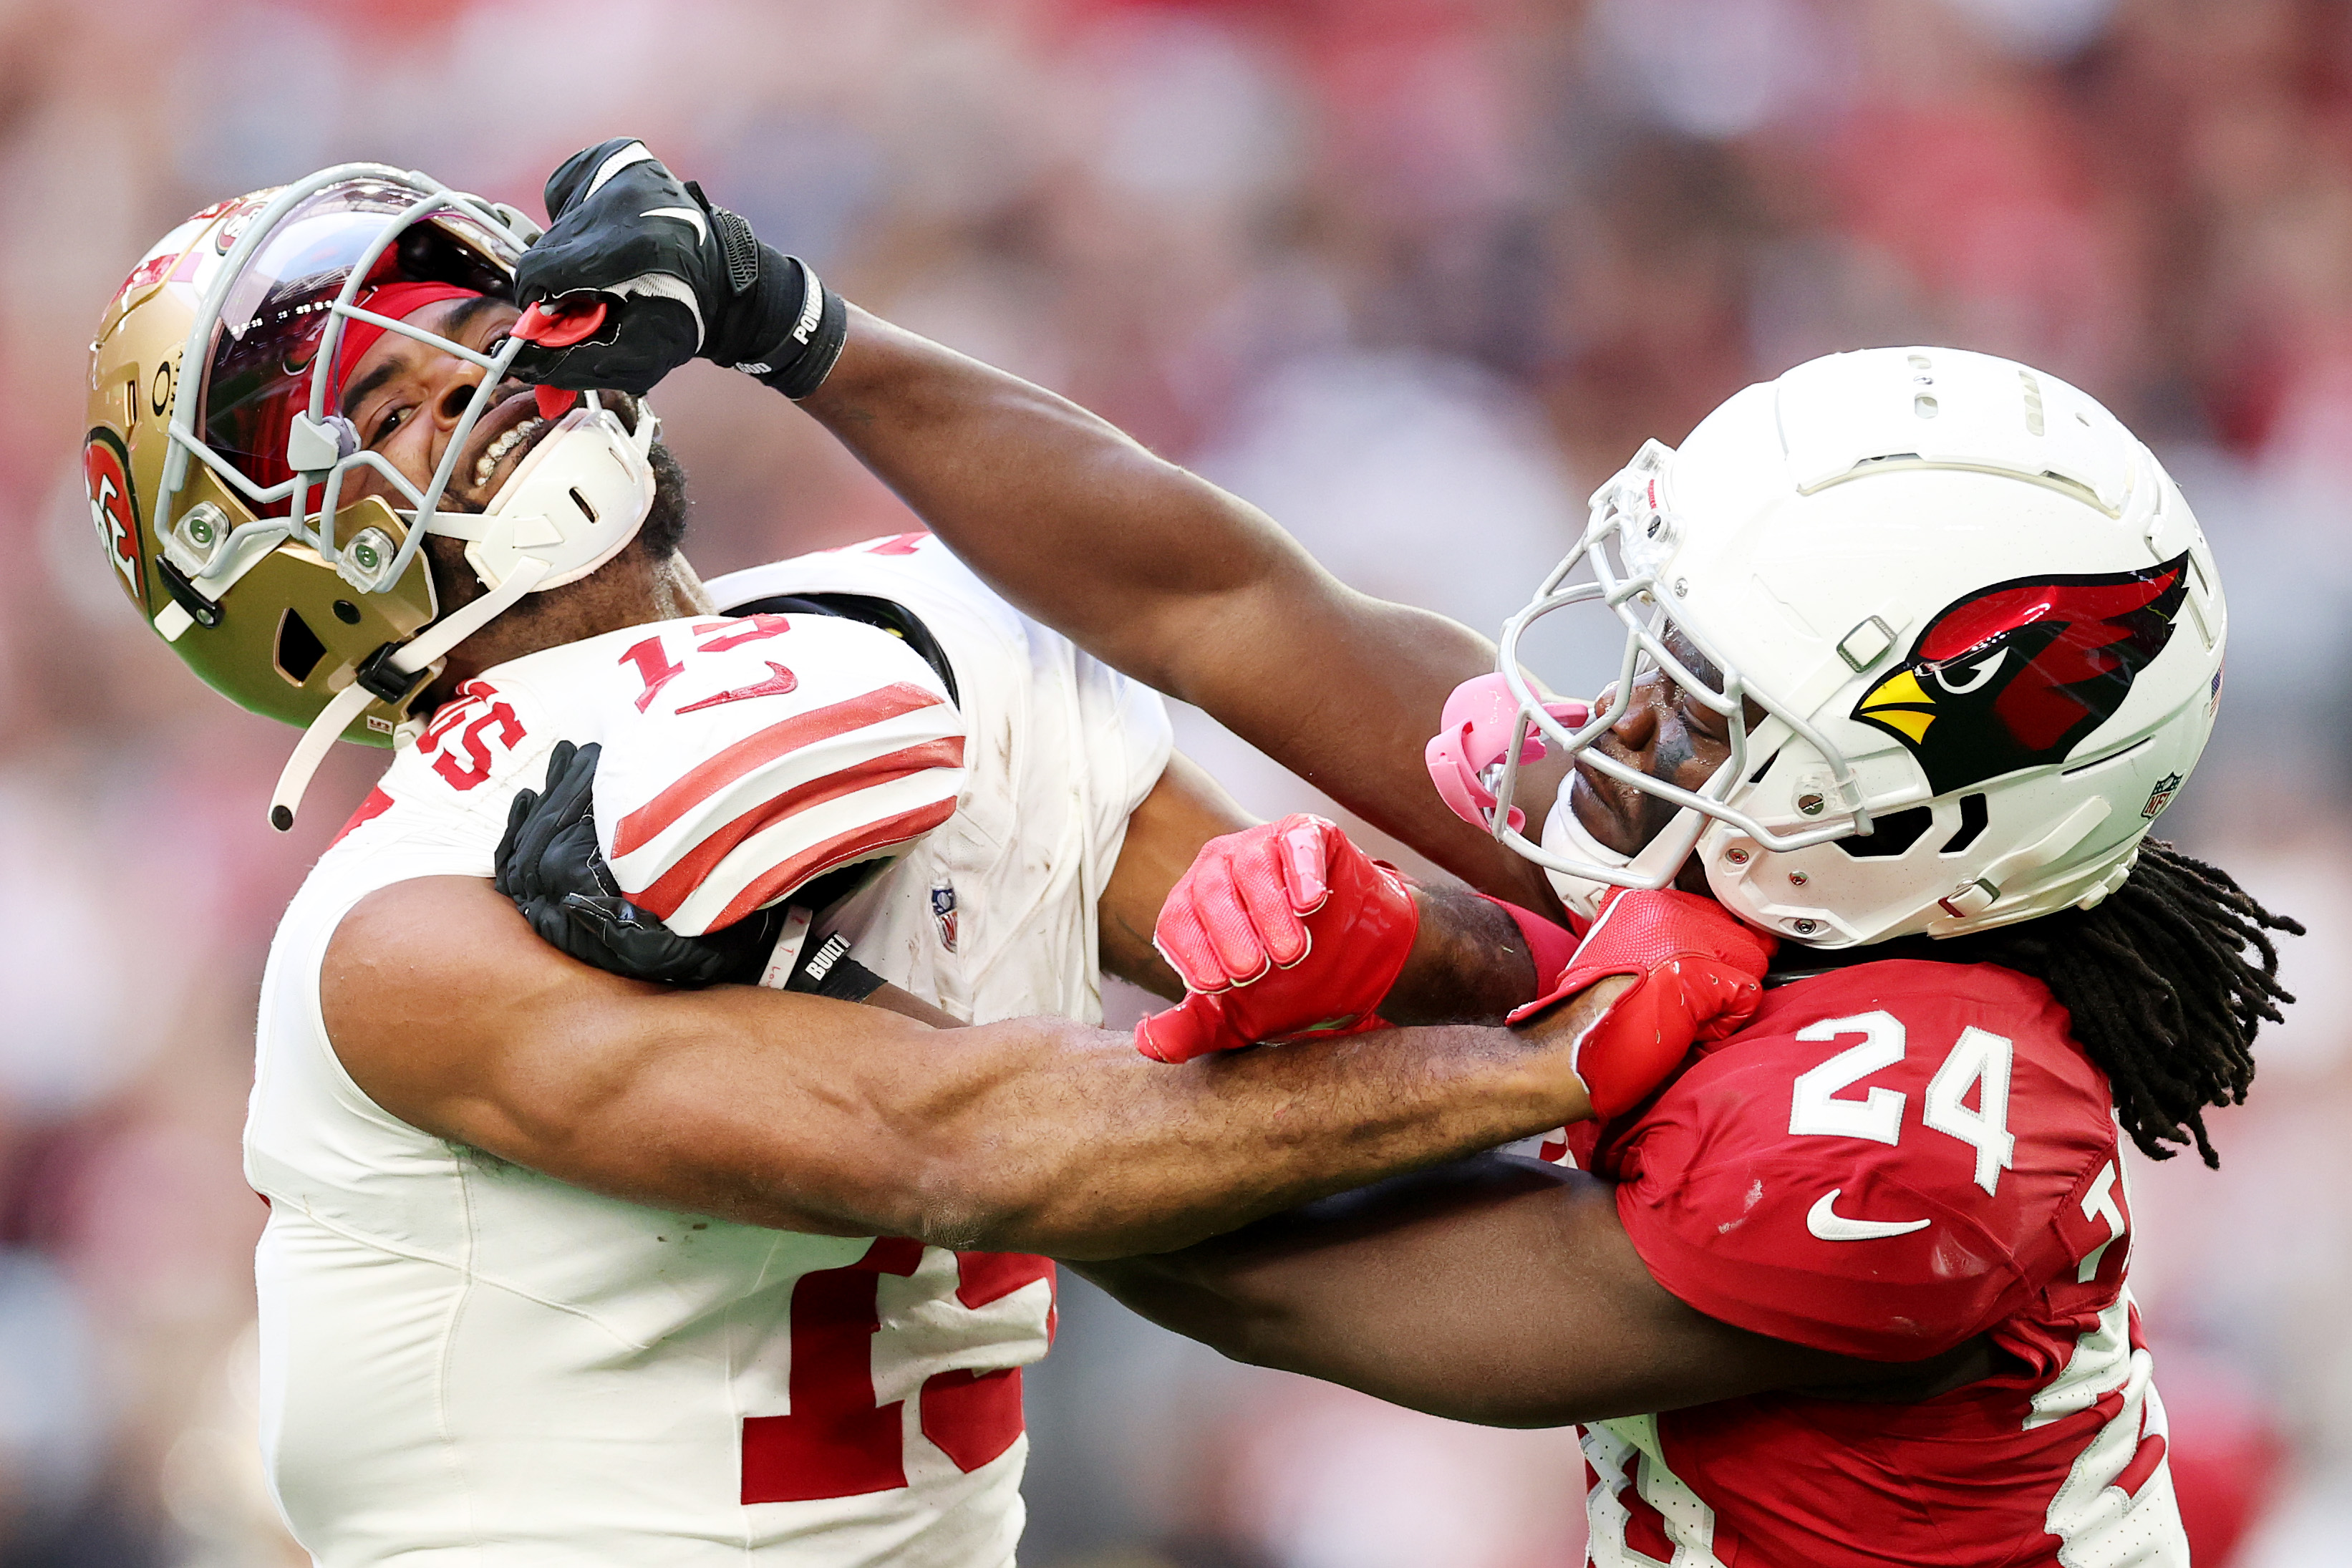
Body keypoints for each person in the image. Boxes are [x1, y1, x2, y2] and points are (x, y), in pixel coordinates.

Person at [500, 142, 2303, 1565]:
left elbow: (1264, 1280)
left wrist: (852, 980)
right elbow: (1217, 602)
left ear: (1915, 823)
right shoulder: (1779, 851)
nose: (1629, 726)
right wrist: (794, 325)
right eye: (1662, 649)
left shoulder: (1915, 1132)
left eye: (1713, 704)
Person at [84, 159, 1782, 1565]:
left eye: (472, 333)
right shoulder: (396, 931)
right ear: (283, 566)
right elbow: (945, 1139)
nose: (481, 388)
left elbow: (1419, 911)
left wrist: (1406, 951)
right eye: (394, 399)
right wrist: (1544, 1057)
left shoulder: (892, 630)